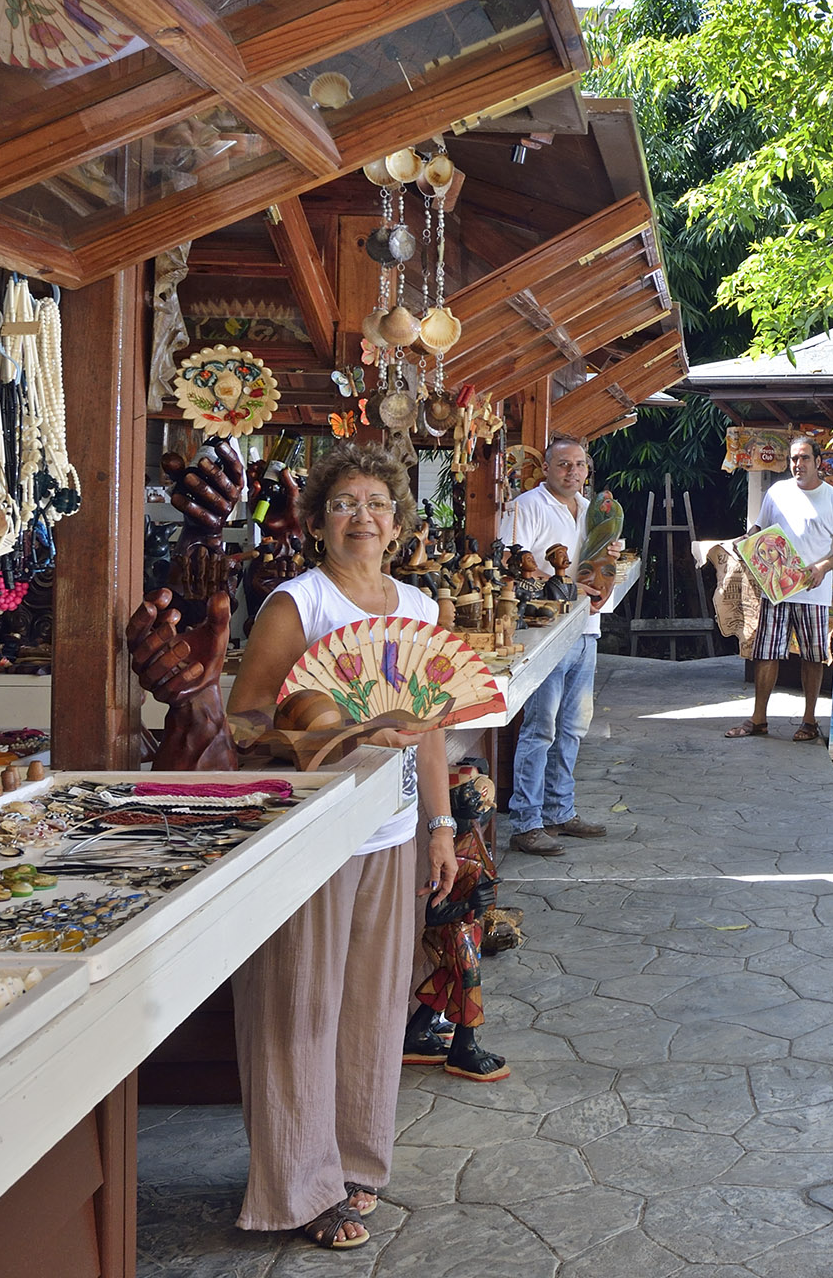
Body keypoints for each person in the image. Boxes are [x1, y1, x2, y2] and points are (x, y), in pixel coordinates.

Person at [217, 446, 457, 1251]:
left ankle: (355, 1163)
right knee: (297, 1006)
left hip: (388, 831)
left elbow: (431, 733)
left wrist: (441, 827)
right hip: (308, 834)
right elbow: (246, 720)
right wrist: (342, 726)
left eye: (378, 503)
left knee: (373, 1007)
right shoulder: (299, 603)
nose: (363, 516)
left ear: (398, 521)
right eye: (345, 503)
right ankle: (296, 1187)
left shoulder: (419, 610)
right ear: (318, 521)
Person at [500, 435, 622, 857]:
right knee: (541, 729)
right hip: (546, 632)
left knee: (572, 728)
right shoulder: (526, 508)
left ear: (588, 469)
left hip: (586, 629)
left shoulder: (593, 512)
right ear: (547, 468)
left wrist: (605, 579)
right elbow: (512, 570)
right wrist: (573, 585)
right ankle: (526, 822)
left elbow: (600, 565)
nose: (572, 472)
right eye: (563, 465)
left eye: (579, 465)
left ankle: (559, 811)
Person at [725, 433, 833, 742]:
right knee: (766, 652)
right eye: (793, 459)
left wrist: (823, 567)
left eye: (804, 458)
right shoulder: (777, 492)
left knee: (813, 656)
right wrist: (747, 539)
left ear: (819, 462)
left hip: (813, 591)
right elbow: (760, 528)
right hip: (775, 589)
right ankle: (759, 719)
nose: (798, 464)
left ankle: (810, 721)